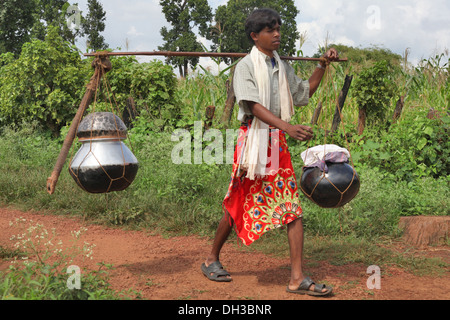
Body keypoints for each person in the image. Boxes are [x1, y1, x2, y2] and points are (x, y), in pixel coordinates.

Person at [201, 8, 339, 297]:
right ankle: (211, 258)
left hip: (276, 143)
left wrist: (322, 65)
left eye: (278, 28)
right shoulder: (245, 67)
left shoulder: (281, 65)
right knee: (237, 201)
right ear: (255, 36)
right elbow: (253, 106)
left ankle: (296, 278)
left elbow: (303, 92)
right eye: (269, 30)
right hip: (253, 140)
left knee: (291, 207)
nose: (277, 34)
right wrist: (287, 127)